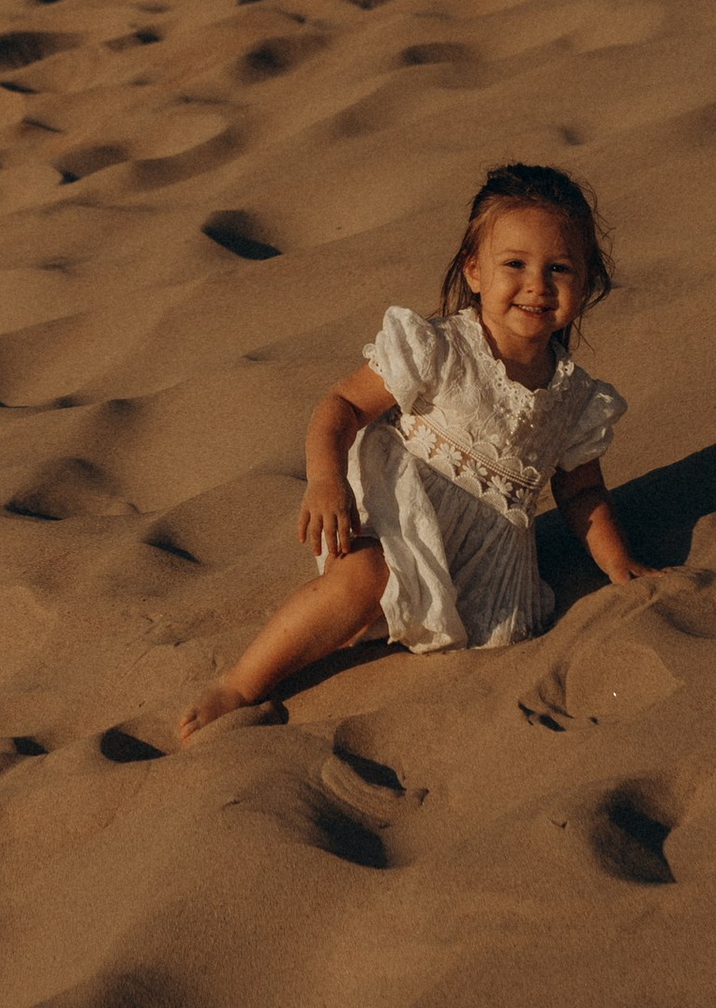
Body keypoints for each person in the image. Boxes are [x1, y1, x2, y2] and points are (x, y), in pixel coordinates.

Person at [175, 162, 649, 745]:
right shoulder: (440, 348)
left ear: (588, 281)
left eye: (560, 269)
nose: (536, 285)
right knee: (362, 580)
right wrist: (326, 482)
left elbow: (581, 491)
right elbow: (342, 404)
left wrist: (617, 565)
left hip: (486, 561)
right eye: (515, 265)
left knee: (486, 635)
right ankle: (242, 685)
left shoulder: (576, 398)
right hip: (402, 513)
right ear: (474, 271)